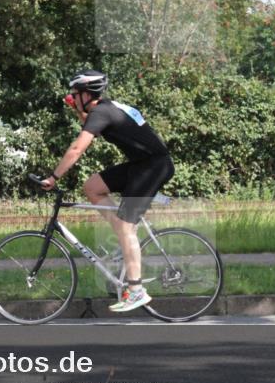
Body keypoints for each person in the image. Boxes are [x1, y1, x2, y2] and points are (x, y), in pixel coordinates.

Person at [40, 70, 174, 312]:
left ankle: (136, 291)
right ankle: (125, 244)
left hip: (154, 166)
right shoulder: (104, 109)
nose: (72, 96)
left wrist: (53, 177)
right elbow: (92, 125)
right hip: (142, 164)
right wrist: (76, 110)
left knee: (125, 226)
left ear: (85, 94)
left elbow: (77, 148)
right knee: (92, 187)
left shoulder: (102, 111)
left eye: (75, 93)